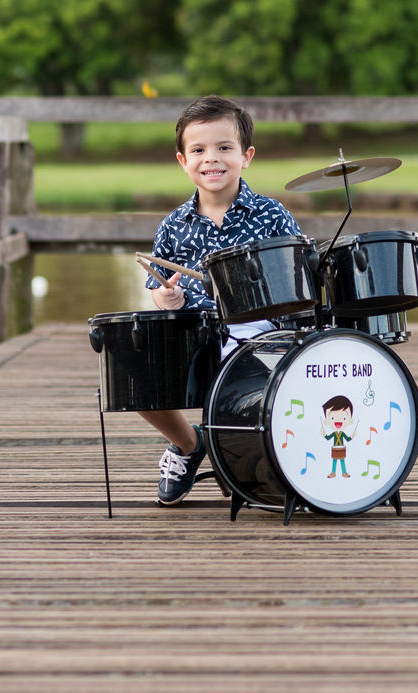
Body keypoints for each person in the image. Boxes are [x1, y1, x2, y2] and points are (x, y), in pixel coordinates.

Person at [140, 95, 302, 505]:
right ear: (183, 161)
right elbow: (157, 286)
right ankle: (189, 444)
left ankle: (251, 450)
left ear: (246, 156)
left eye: (224, 147)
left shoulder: (271, 214)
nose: (211, 158)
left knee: (243, 468)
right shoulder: (173, 225)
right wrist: (166, 297)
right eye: (198, 150)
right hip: (192, 331)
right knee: (135, 373)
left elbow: (297, 278)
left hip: (258, 333)